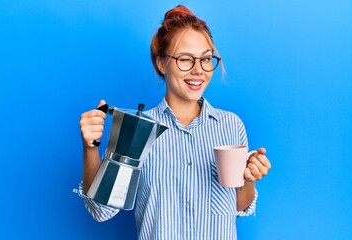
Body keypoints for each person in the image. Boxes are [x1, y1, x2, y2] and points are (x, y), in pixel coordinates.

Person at [75, 5, 271, 240]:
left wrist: (249, 180)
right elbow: (100, 210)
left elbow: (239, 206)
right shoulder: (138, 130)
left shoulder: (231, 125)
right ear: (161, 63)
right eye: (186, 59)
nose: (198, 70)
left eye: (206, 59)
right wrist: (90, 148)